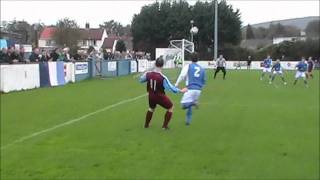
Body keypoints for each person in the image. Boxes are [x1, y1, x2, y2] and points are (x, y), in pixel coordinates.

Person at [139, 57, 188, 130]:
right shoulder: (162, 77)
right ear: (162, 65)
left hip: (151, 95)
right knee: (171, 107)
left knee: (151, 108)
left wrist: (145, 74)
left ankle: (146, 125)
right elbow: (170, 87)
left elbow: (141, 80)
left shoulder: (148, 74)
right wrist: (180, 90)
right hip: (159, 96)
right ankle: (164, 126)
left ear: (155, 64)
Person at [175, 53, 206, 126]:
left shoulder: (188, 66)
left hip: (190, 88)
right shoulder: (202, 69)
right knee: (189, 105)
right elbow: (204, 82)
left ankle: (193, 103)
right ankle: (188, 121)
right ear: (198, 59)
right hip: (198, 90)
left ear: (190, 59)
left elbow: (182, 75)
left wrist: (176, 84)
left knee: (184, 105)